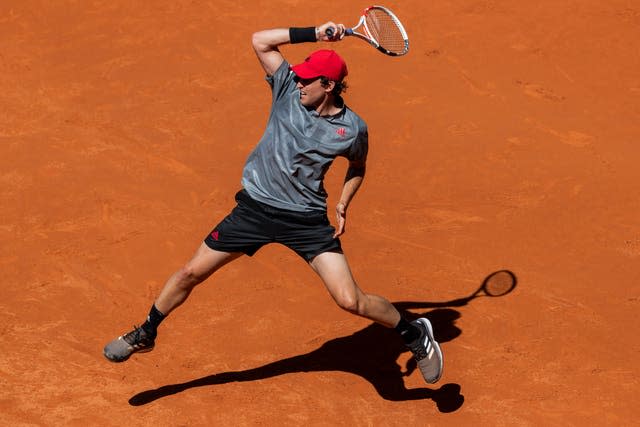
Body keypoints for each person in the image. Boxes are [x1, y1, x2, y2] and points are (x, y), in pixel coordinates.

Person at [103, 22, 443, 384]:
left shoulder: (352, 129)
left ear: (328, 86)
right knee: (191, 272)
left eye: (307, 80)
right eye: (298, 76)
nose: (298, 82)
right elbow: (260, 41)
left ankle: (413, 334)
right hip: (254, 210)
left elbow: (357, 166)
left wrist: (343, 202)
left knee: (350, 300)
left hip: (305, 222)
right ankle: (146, 332)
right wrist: (315, 33)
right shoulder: (285, 90)